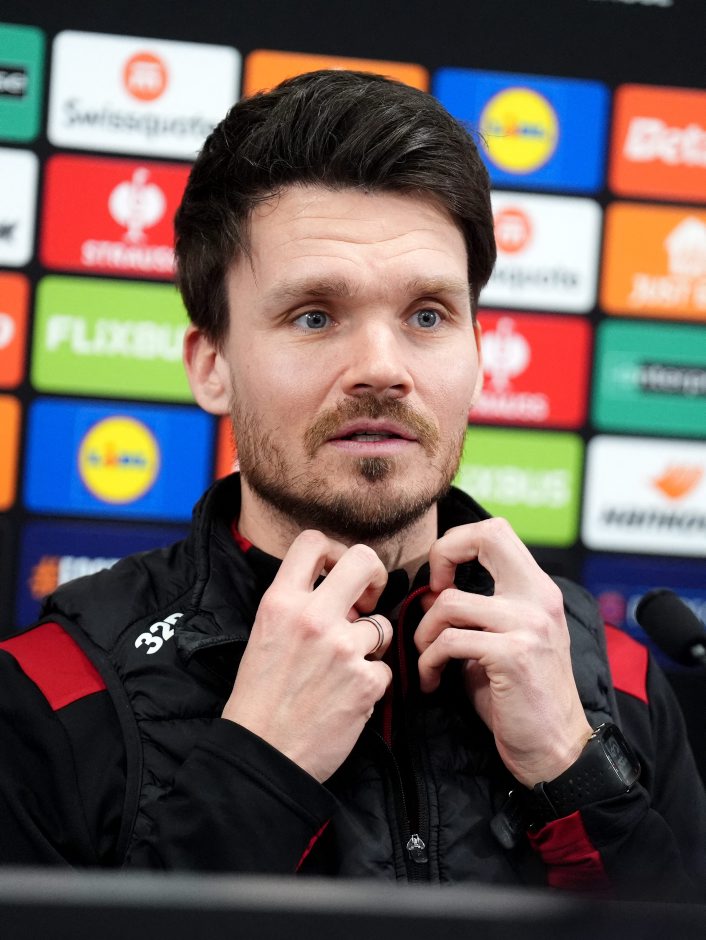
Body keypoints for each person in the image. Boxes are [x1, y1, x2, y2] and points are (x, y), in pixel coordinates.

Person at [1, 70, 704, 896]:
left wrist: (571, 768)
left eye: (428, 315)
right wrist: (258, 768)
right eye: (314, 316)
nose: (381, 368)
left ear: (480, 355)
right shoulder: (52, 690)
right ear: (212, 364)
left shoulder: (616, 677)